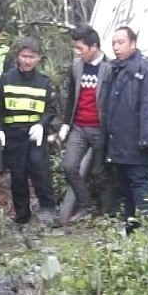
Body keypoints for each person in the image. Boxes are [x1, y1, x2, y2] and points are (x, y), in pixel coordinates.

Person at [101, 26, 148, 232]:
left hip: (137, 140)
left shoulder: (147, 69)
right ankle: (132, 228)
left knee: (140, 183)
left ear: (133, 43)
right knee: (125, 185)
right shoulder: (114, 69)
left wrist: (147, 141)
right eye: (114, 43)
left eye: (121, 42)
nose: (116, 47)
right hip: (118, 138)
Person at [0, 37, 59, 226]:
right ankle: (22, 217)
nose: (28, 60)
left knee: (40, 171)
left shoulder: (44, 82)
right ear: (18, 57)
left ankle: (47, 210)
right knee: (18, 176)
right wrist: (0, 130)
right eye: (24, 56)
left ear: (39, 58)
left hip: (35, 136)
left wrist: (41, 125)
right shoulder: (5, 80)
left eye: (32, 57)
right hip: (13, 135)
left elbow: (51, 109)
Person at [57, 24, 116, 224]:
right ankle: (85, 204)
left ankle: (107, 214)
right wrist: (66, 125)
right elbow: (72, 96)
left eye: (80, 48)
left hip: (100, 128)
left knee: (102, 173)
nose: (77, 52)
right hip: (79, 127)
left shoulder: (109, 67)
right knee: (69, 166)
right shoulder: (76, 66)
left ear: (94, 46)